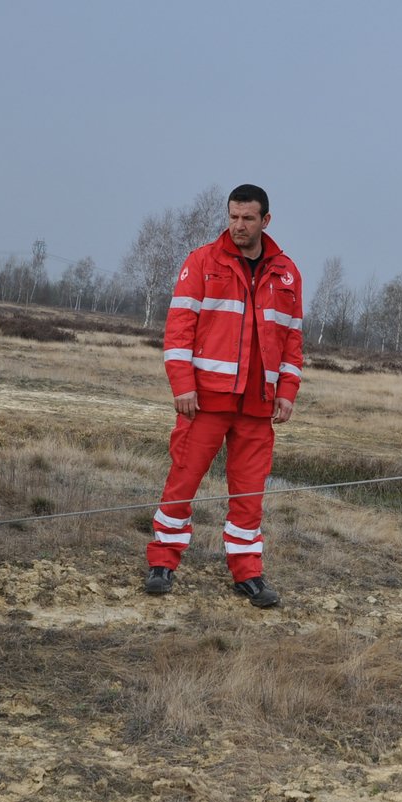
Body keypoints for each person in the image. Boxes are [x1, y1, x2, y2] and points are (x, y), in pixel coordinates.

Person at [143, 184, 304, 608]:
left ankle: (247, 574)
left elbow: (292, 341)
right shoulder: (201, 262)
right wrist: (182, 386)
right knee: (183, 481)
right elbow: (178, 330)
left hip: (257, 405)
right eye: (233, 216)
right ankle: (162, 563)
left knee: (249, 497)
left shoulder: (287, 273)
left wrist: (287, 392)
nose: (238, 225)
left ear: (265, 221)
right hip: (206, 401)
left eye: (247, 218)